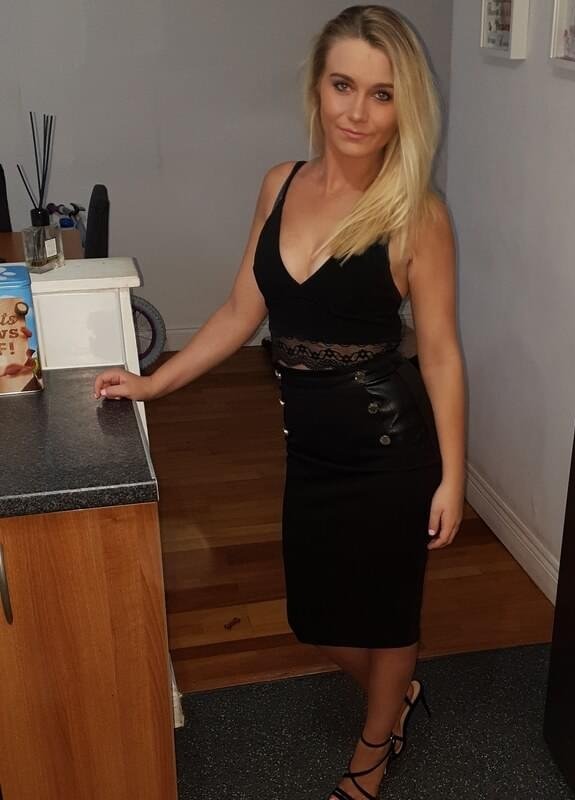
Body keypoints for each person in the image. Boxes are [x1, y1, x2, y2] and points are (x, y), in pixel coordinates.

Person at [93, 5, 465, 799]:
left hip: (389, 450)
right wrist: (155, 380)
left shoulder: (418, 215)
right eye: (342, 85)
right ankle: (396, 692)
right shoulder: (280, 184)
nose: (357, 112)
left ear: (406, 107)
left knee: (388, 615)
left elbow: (439, 353)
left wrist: (454, 477)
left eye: (382, 94)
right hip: (310, 448)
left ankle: (373, 752)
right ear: (317, 87)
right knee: (316, 619)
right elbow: (241, 310)